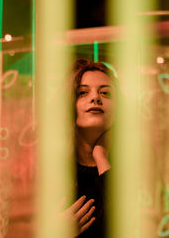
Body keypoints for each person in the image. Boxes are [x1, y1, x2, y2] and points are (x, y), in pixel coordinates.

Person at [62, 59, 115, 238]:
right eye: (83, 92)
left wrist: (101, 157)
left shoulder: (134, 160)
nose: (95, 98)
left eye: (106, 93)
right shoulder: (50, 166)